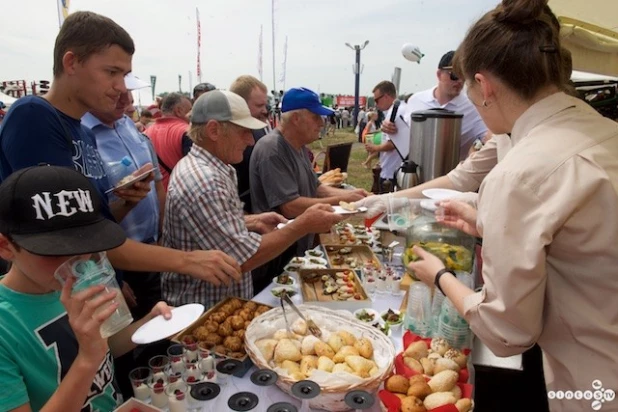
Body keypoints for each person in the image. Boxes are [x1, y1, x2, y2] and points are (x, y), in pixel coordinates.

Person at [404, 1, 618, 411]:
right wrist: (485, 222)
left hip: (594, 385)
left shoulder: (519, 173)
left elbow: (507, 333)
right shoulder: (606, 132)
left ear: (484, 86)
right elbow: (580, 243)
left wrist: (441, 276)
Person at [0, 11, 241, 290]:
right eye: (111, 72)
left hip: (91, 285)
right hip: (52, 296)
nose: (120, 87)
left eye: (124, 74)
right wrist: (186, 261)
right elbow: (64, 238)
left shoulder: (85, 133)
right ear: (71, 62)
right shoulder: (34, 115)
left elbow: (93, 226)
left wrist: (126, 202)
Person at [0, 164, 173, 412]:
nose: (78, 263)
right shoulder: (6, 327)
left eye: (87, 245)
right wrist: (86, 361)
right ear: (5, 246)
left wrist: (149, 323)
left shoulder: (87, 277)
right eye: (54, 250)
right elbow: (92, 354)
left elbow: (106, 345)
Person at [161, 90, 343, 308]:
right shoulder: (205, 181)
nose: (250, 141)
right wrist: (302, 226)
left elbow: (211, 225)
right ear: (214, 130)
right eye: (243, 132)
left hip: (218, 302)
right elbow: (242, 259)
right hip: (207, 310)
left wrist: (251, 221)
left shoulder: (215, 168)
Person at [249, 87, 368, 291]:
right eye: (316, 117)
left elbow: (317, 188)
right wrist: (344, 203)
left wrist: (354, 197)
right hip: (277, 255)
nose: (321, 123)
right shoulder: (272, 149)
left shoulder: (299, 146)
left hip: (295, 246)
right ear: (296, 118)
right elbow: (290, 206)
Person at [383, 51, 488, 160]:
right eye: (455, 75)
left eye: (464, 76)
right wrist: (390, 127)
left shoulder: (472, 106)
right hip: (418, 172)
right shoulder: (416, 100)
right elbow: (405, 134)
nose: (460, 81)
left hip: (453, 174)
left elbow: (488, 137)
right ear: (439, 74)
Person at [229, 75, 270, 213]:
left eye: (265, 104)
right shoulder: (226, 142)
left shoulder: (259, 130)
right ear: (240, 104)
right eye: (259, 105)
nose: (265, 110)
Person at [365, 81, 410, 193]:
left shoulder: (395, 112)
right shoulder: (399, 109)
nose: (376, 104)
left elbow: (393, 144)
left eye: (377, 100)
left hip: (391, 173)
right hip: (392, 170)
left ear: (386, 96)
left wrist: (375, 148)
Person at [145, 92, 193, 190]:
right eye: (190, 110)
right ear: (179, 111)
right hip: (179, 194)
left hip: (154, 195)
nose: (192, 114)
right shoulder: (187, 132)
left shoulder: (145, 133)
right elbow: (194, 170)